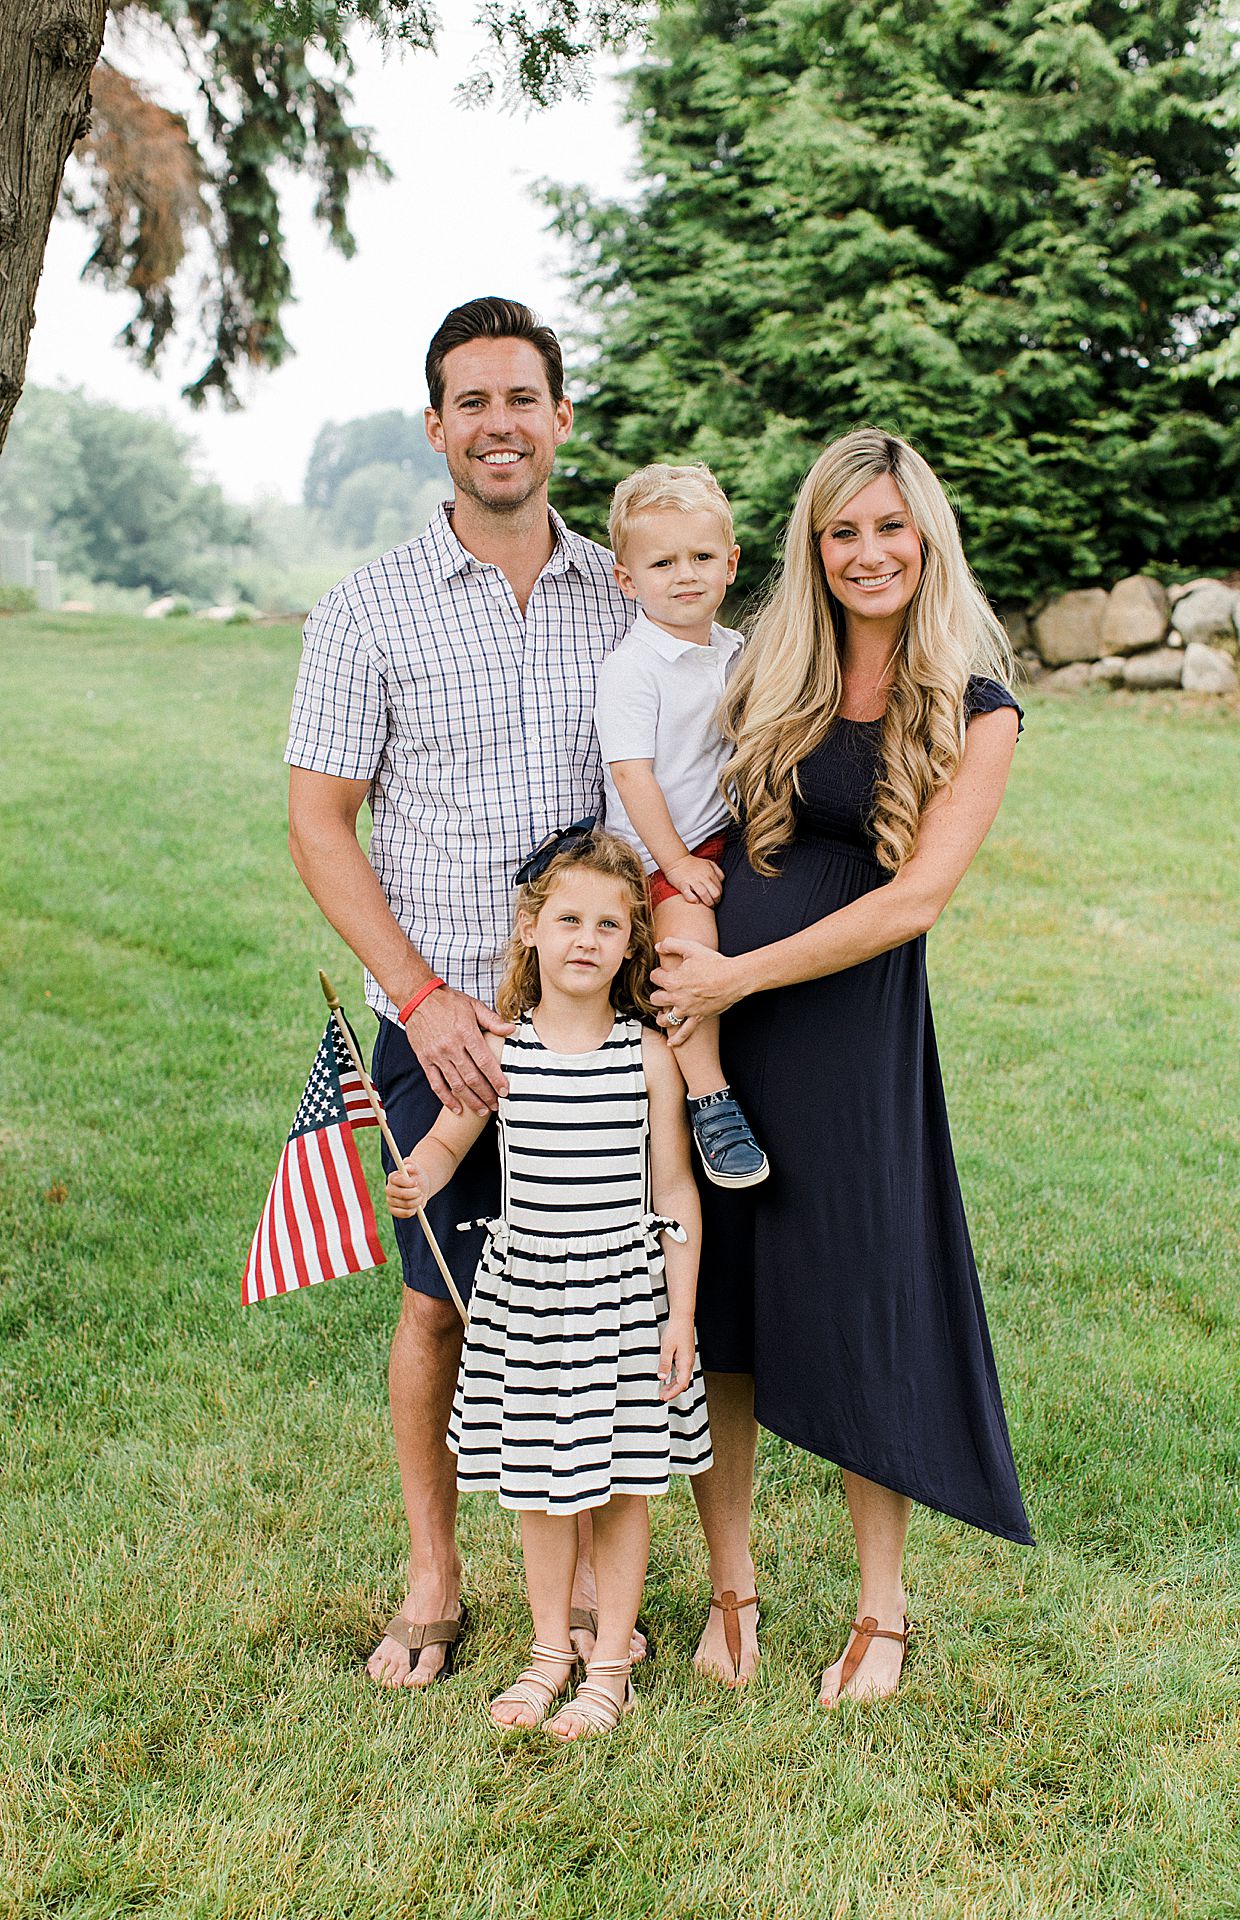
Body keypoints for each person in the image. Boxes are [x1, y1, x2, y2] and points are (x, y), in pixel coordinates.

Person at [650, 427, 1033, 1705]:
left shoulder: (976, 702)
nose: (866, 553)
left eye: (887, 527)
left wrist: (734, 977)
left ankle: (882, 1611)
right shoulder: (771, 664)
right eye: (840, 531)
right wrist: (688, 951)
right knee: (721, 1309)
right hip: (717, 1027)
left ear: (925, 536)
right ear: (813, 548)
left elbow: (914, 899)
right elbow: (690, 817)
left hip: (841, 1026)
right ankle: (732, 1590)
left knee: (861, 1298)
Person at [285, 297, 632, 1686]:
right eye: (471, 401)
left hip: (591, 1018)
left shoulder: (625, 594)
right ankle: (437, 1570)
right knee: (440, 1301)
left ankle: (604, 1588)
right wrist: (421, 996)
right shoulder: (364, 607)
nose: (500, 423)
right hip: (437, 1011)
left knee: (593, 1293)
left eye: (522, 397)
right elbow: (321, 825)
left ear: (560, 418)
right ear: (437, 429)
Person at [386, 828, 711, 1737]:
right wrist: (417, 1176)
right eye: (568, 918)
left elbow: (675, 1185)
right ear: (530, 929)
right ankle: (546, 1654)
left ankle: (608, 1666)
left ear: (630, 943)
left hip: (622, 1296)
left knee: (621, 1483)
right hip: (527, 1298)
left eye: (610, 925)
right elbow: (450, 1142)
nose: (587, 938)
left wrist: (679, 1311)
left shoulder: (646, 1056)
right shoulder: (505, 1053)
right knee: (538, 1483)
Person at [594, 464, 768, 1190]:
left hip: (722, 832)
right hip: (654, 850)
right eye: (662, 562)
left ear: (730, 563)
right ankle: (710, 1099)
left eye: (701, 557)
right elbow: (632, 775)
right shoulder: (634, 668)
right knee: (687, 944)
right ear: (627, 578)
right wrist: (675, 861)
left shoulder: (735, 651)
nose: (685, 575)